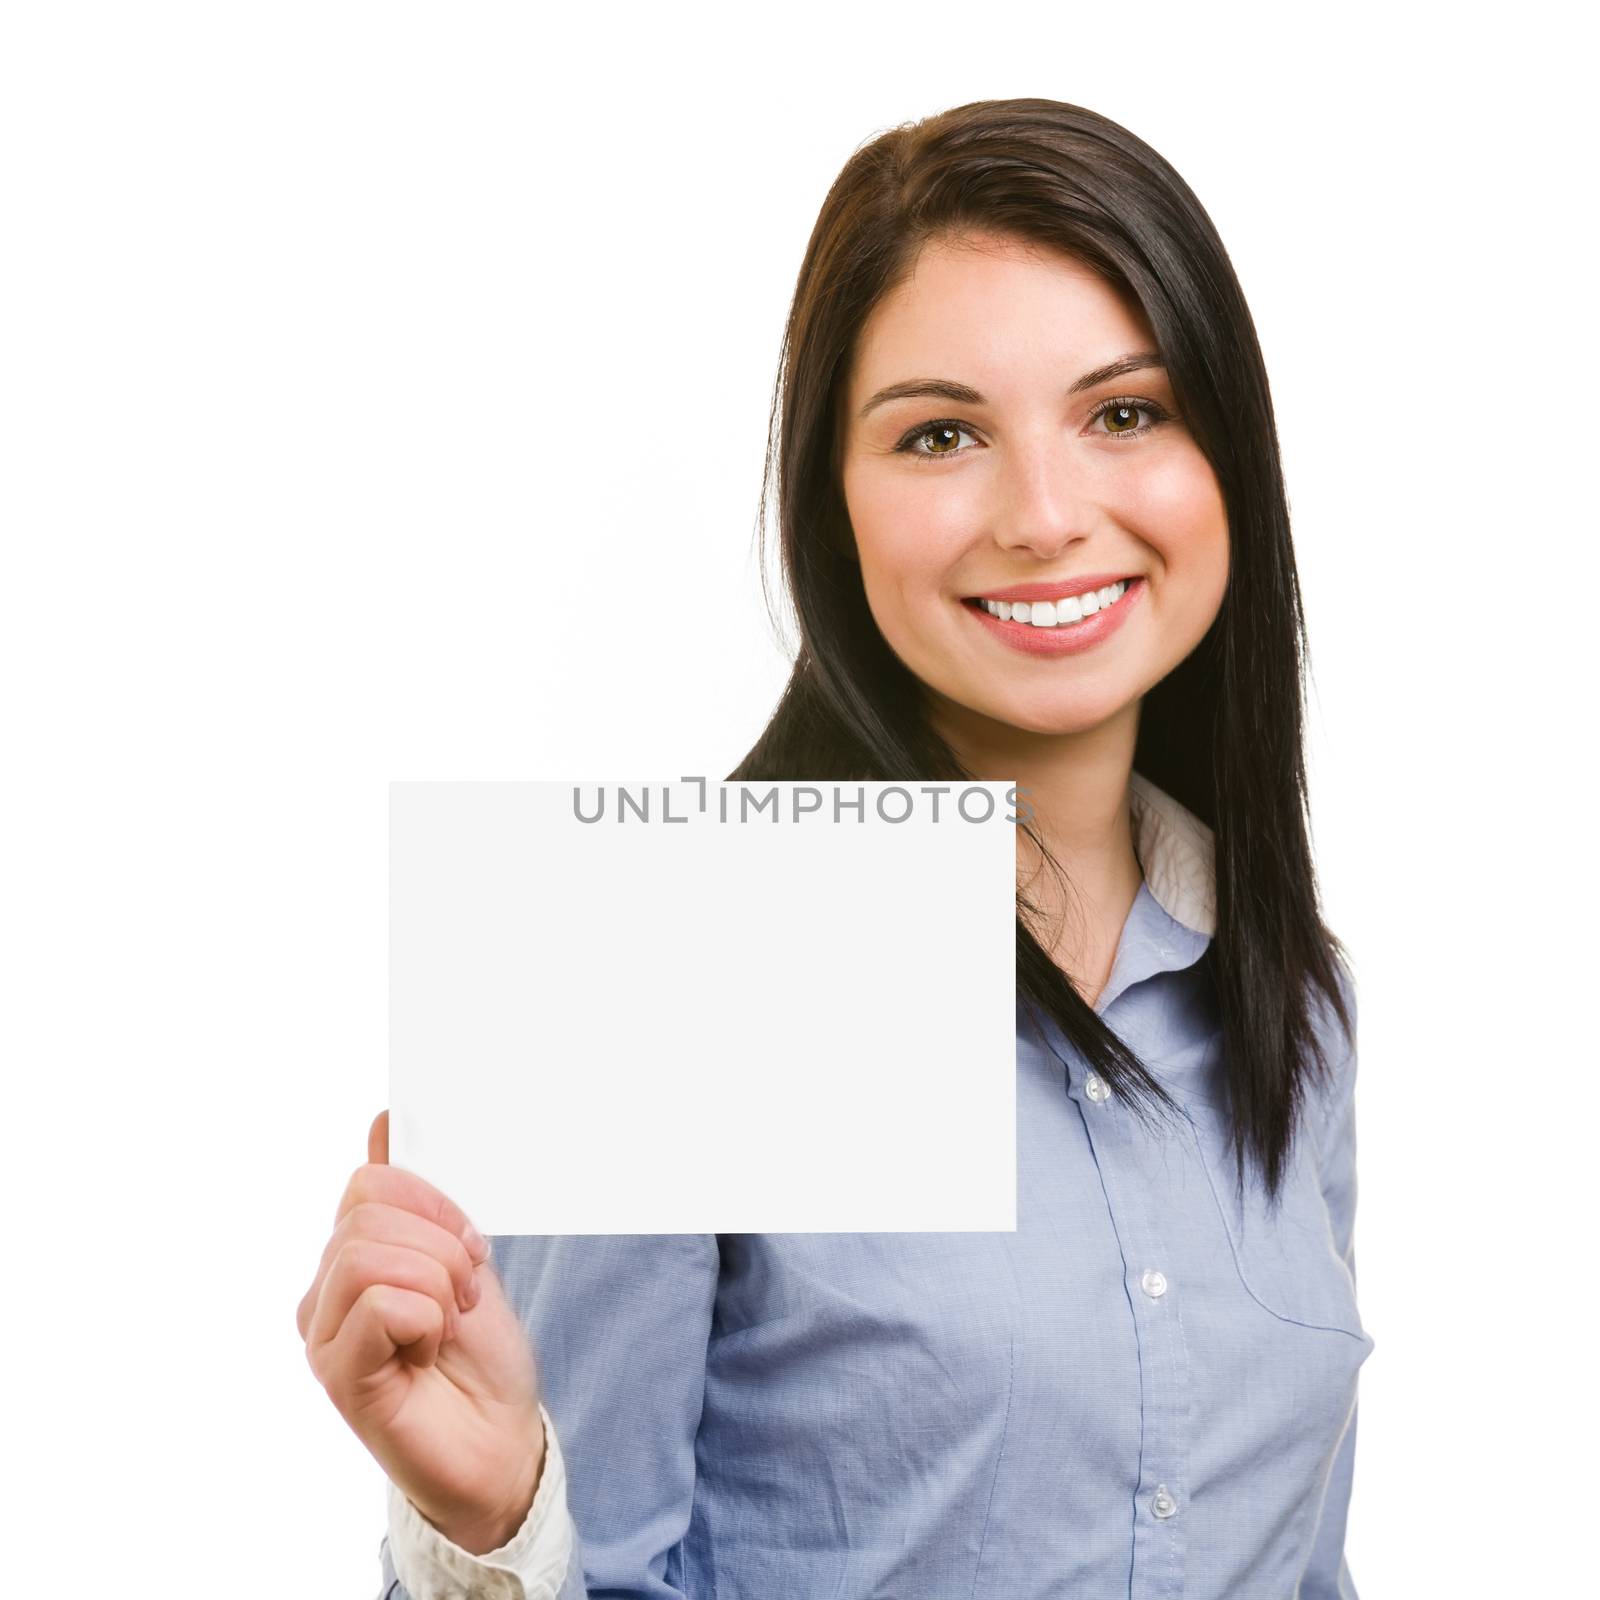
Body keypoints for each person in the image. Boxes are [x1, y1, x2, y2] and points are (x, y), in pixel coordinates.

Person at [298, 97, 1374, 1599]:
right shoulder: (668, 951)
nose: (1047, 514)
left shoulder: (1286, 996)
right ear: (833, 502)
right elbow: (585, 1561)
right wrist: (489, 1529)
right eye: (942, 435)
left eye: (1125, 410)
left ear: (1226, 462)